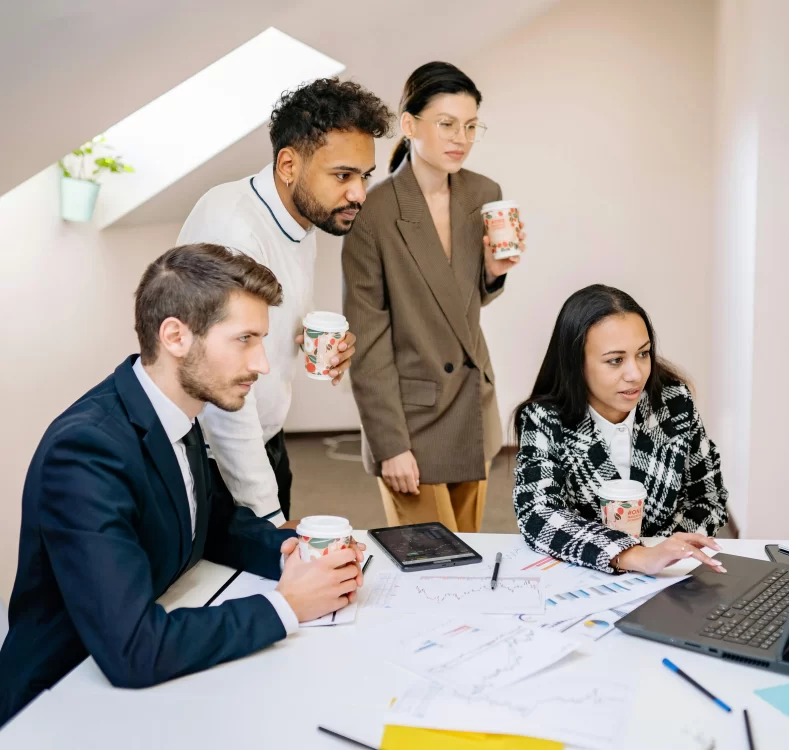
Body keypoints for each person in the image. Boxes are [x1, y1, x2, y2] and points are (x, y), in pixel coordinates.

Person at [0, 245, 365, 728]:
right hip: (58, 702)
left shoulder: (176, 409)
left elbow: (210, 520)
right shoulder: (87, 452)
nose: (261, 363)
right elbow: (133, 648)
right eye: (245, 340)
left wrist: (298, 555)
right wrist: (288, 605)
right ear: (175, 336)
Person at [177, 78, 394, 524]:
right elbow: (221, 394)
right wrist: (268, 517)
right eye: (343, 176)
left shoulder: (301, 216)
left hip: (267, 440)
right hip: (217, 458)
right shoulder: (233, 229)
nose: (359, 194)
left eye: (364, 176)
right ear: (289, 164)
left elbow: (270, 314)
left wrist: (314, 339)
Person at [343, 62, 524, 532]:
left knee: (469, 558)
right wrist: (389, 443)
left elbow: (456, 309)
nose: (459, 138)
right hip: (411, 420)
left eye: (469, 126)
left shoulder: (484, 193)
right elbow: (367, 338)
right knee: (431, 567)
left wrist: (493, 271)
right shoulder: (373, 211)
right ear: (409, 125)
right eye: (445, 124)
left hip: (470, 405)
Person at [513, 284, 729, 574]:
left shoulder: (673, 403)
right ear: (577, 364)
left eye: (643, 354)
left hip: (669, 577)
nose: (635, 374)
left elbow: (709, 498)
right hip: (581, 575)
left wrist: (667, 549)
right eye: (615, 360)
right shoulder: (545, 418)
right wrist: (632, 555)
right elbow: (537, 513)